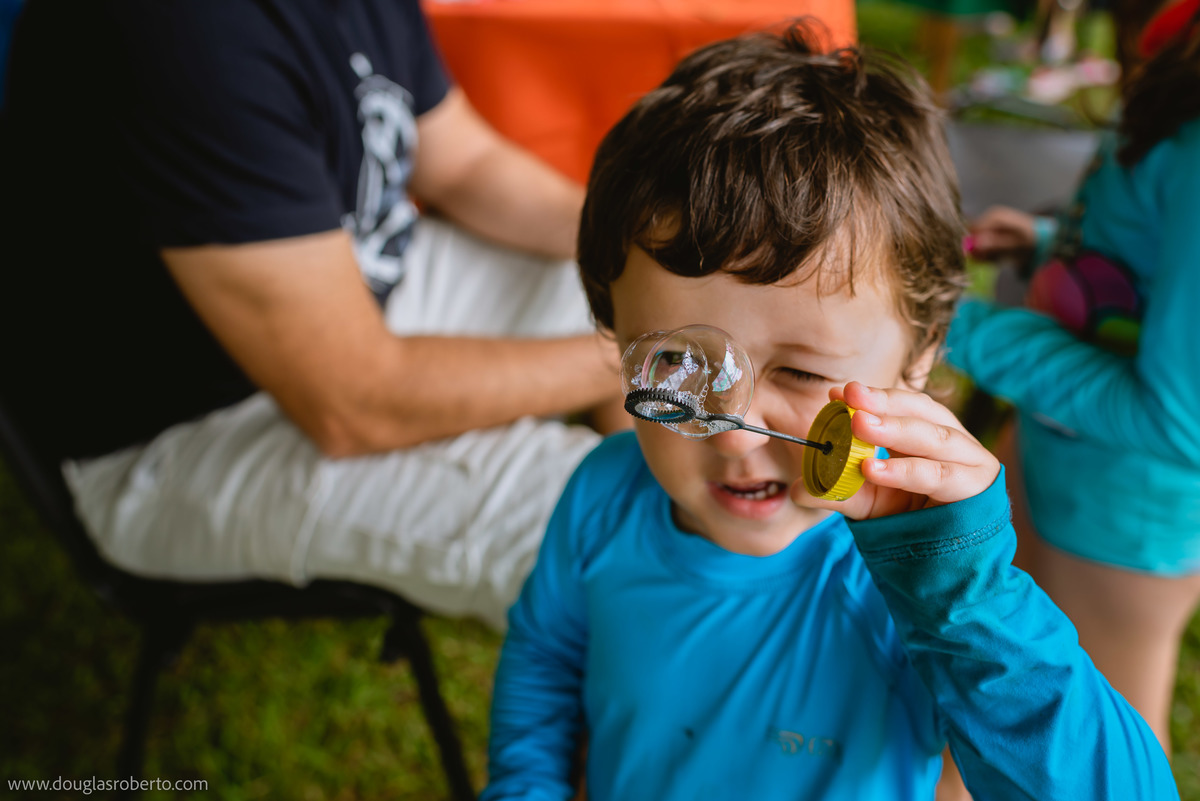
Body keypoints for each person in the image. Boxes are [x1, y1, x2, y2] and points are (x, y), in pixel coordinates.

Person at [480, 24, 1180, 801]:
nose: (735, 430)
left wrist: (969, 596)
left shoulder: (918, 585)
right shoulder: (602, 496)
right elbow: (545, 657)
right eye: (679, 360)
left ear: (922, 353)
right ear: (615, 333)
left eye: (804, 369)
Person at [0, 0, 625, 631]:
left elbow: (464, 164)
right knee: (620, 542)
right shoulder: (175, 32)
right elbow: (355, 402)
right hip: (189, 434)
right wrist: (652, 354)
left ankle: (684, 491)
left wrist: (637, 249)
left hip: (354, 291)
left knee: (626, 285)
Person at [955, 0, 1200, 753]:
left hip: (1121, 522)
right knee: (998, 696)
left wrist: (963, 330)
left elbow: (1180, 418)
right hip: (1060, 457)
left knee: (1110, 750)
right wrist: (1055, 243)